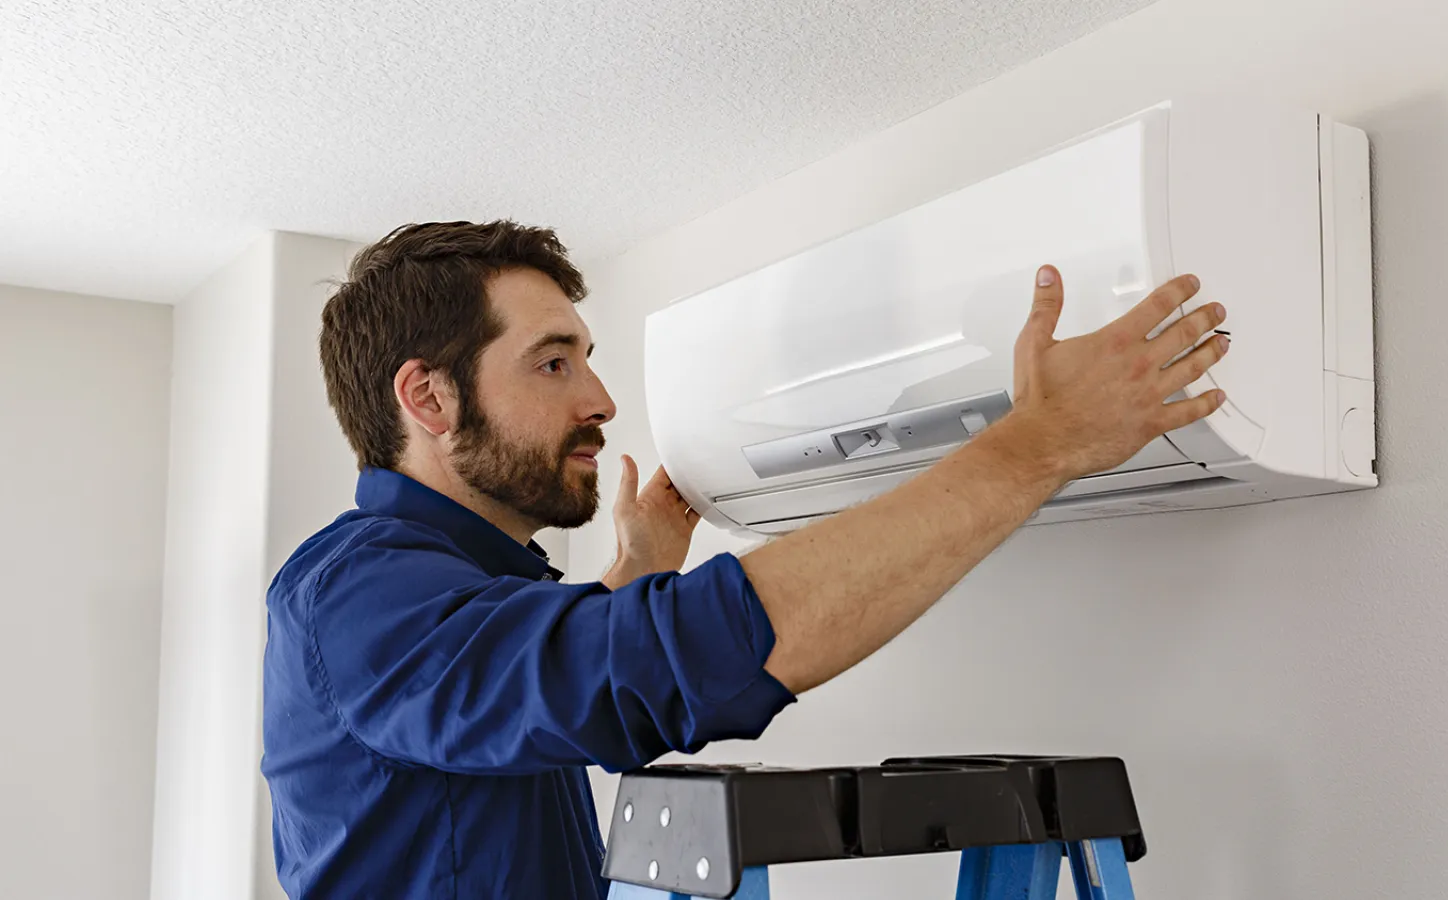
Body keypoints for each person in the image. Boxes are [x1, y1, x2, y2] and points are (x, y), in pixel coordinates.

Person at [261, 220, 1229, 899]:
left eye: (587, 358)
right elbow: (659, 669)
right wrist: (1036, 445)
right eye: (553, 362)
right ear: (427, 400)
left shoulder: (460, 594)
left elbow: (532, 714)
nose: (599, 398)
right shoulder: (356, 594)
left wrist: (625, 590)